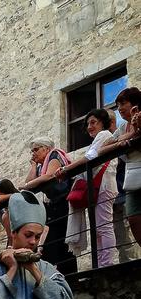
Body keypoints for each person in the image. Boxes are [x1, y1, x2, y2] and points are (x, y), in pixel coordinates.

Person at [56, 109, 118, 268]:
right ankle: (102, 263)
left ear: (102, 123)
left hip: (104, 184)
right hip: (100, 184)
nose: (90, 126)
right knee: (99, 227)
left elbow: (91, 156)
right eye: (88, 123)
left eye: (93, 122)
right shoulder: (100, 137)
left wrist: (66, 169)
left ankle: (107, 263)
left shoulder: (104, 135)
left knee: (103, 226)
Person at [23, 137, 77, 275]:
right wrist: (33, 166)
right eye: (32, 151)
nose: (33, 153)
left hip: (63, 202)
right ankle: (61, 276)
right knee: (53, 242)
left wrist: (27, 185)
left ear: (46, 148)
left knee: (61, 242)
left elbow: (49, 176)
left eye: (36, 149)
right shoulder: (41, 165)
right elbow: (29, 182)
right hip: (53, 205)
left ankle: (69, 277)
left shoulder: (54, 155)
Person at [98, 87, 141, 247]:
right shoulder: (123, 127)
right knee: (134, 218)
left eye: (123, 103)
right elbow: (101, 148)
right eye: (118, 105)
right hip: (133, 178)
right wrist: (128, 136)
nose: (120, 108)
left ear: (135, 103)